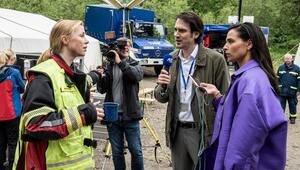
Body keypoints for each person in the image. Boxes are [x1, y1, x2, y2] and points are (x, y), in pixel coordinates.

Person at [13, 20, 104, 170]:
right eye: (81, 36)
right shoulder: (43, 76)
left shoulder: (71, 74)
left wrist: (90, 112)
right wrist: (84, 114)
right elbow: (36, 123)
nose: (86, 41)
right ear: (65, 39)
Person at [199, 22, 288, 169]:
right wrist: (218, 97)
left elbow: (242, 149)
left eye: (231, 41)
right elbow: (238, 115)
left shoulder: (251, 84)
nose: (225, 47)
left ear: (249, 44)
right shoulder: (250, 76)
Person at [154, 12, 230, 170]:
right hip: (177, 131)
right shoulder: (172, 59)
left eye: (182, 31)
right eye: (175, 30)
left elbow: (226, 100)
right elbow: (162, 98)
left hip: (203, 132)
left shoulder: (215, 60)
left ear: (195, 34)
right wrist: (161, 86)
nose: (176, 34)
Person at [97, 37, 144, 170]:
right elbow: (102, 89)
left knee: (136, 151)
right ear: (116, 49)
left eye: (128, 46)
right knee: (117, 153)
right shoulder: (108, 66)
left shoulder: (135, 63)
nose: (126, 48)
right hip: (113, 116)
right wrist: (101, 77)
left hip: (130, 115)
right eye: (123, 47)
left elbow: (135, 76)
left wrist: (119, 61)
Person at [0, 51, 25, 170]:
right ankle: (11, 166)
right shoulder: (14, 73)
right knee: (13, 142)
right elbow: (22, 88)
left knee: (1, 143)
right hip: (12, 113)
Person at [277, 53, 300, 124]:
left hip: (292, 91)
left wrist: (299, 90)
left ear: (292, 59)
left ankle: (292, 118)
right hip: (282, 91)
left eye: (289, 59)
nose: (287, 60)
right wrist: (277, 88)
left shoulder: (297, 68)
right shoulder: (280, 67)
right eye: (286, 59)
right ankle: (280, 119)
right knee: (281, 106)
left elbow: (299, 80)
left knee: (292, 105)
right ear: (284, 59)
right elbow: (277, 79)